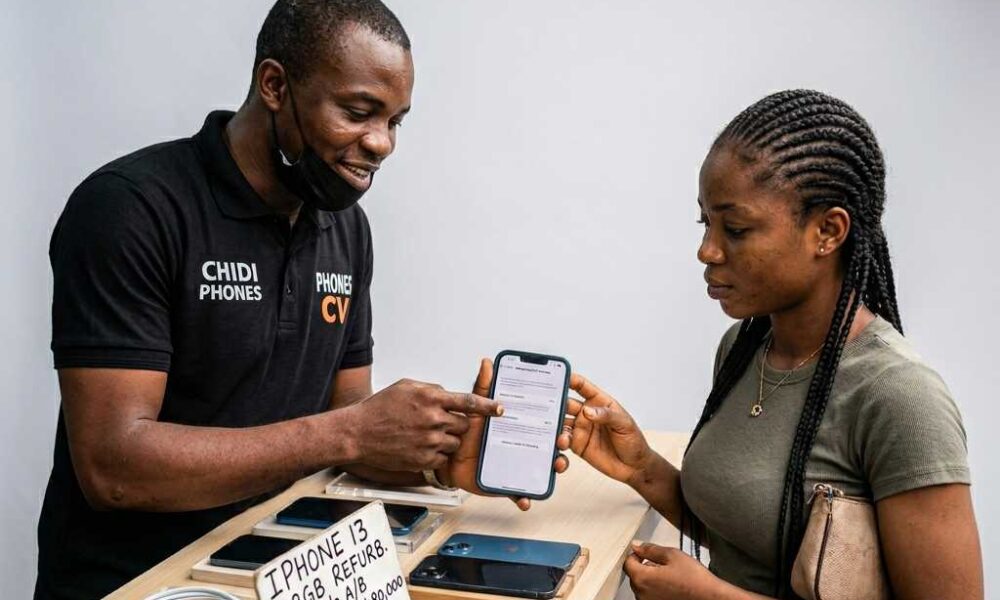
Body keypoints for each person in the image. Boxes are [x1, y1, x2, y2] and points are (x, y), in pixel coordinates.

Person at [35, 2, 513, 598]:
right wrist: (349, 434)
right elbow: (113, 468)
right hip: (140, 583)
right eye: (359, 112)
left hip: (275, 568)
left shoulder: (346, 227)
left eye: (396, 121)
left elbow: (349, 423)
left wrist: (436, 458)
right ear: (275, 85)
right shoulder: (130, 209)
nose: (382, 143)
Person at [557, 90, 983, 599]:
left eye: (735, 228)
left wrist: (713, 597)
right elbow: (754, 540)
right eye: (706, 223)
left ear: (828, 230)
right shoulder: (743, 348)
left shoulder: (900, 398)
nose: (707, 250)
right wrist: (641, 468)